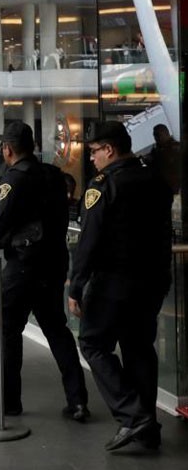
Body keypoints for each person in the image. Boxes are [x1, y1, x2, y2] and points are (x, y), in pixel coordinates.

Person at [69, 121, 172, 451]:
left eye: (94, 152)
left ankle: (133, 415)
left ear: (109, 150)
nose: (92, 159)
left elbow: (89, 240)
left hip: (114, 280)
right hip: (152, 279)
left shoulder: (104, 185)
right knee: (139, 347)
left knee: (93, 343)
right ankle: (148, 428)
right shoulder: (155, 178)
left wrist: (76, 285)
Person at [0, 121, 88, 419]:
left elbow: (1, 217)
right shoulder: (53, 174)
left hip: (24, 264)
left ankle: (7, 400)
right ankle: (78, 400)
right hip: (54, 262)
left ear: (7, 149)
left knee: (7, 329)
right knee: (56, 329)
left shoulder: (15, 177)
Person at [145, 124, 180, 194]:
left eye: (158, 135)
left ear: (167, 134)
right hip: (164, 188)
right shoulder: (155, 151)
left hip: (176, 188)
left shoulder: (177, 148)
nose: (156, 138)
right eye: (155, 136)